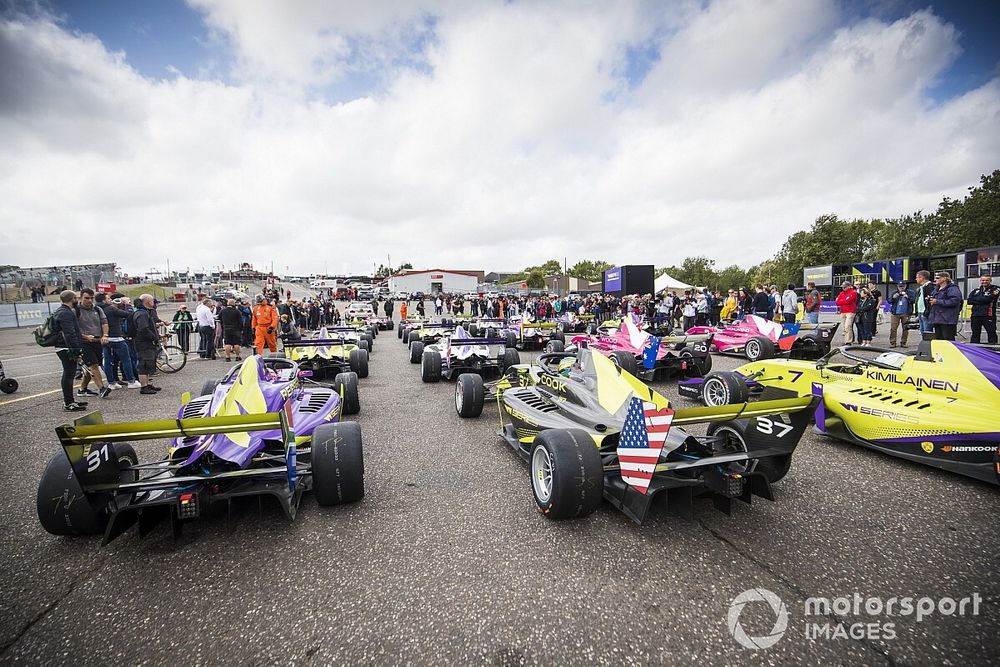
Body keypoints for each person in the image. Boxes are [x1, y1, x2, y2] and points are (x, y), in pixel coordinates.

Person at [51, 290, 88, 411]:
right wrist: (76, 351)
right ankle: (68, 403)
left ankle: (70, 400)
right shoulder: (65, 313)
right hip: (66, 347)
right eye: (75, 298)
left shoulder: (63, 311)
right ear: (72, 299)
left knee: (69, 374)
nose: (77, 300)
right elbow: (69, 333)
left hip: (65, 346)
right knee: (68, 374)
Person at [74, 288, 112, 399]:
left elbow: (104, 323)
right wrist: (84, 336)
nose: (89, 300)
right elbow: (73, 329)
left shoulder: (98, 309)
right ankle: (102, 388)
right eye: (86, 298)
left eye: (91, 298)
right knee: (93, 365)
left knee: (91, 368)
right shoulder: (76, 311)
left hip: (97, 341)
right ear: (80, 298)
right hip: (84, 342)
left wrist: (105, 335)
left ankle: (82, 389)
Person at [98, 293, 139, 388]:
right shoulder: (111, 308)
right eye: (108, 298)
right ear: (104, 300)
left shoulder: (98, 309)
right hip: (116, 337)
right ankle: (131, 381)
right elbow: (127, 314)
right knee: (126, 359)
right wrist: (127, 305)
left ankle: (111, 382)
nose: (111, 300)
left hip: (105, 338)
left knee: (108, 361)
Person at [131, 294, 162, 395]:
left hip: (145, 342)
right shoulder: (142, 314)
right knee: (144, 364)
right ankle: (144, 386)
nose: (154, 302)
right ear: (148, 302)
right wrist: (153, 337)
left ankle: (147, 384)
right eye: (152, 300)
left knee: (148, 363)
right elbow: (143, 328)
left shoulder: (144, 312)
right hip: (143, 343)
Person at [928, 271, 963, 341]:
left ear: (944, 279)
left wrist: (937, 301)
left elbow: (955, 301)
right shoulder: (936, 289)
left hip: (947, 319)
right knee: (939, 339)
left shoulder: (953, 288)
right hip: (937, 318)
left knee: (948, 339)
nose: (935, 280)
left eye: (937, 278)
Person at [967, 275, 999, 344]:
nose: (984, 282)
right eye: (983, 280)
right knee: (975, 333)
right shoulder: (976, 290)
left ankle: (993, 349)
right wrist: (983, 300)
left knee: (991, 332)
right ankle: (974, 349)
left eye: (986, 280)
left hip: (988, 314)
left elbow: (989, 298)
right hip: (975, 314)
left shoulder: (996, 289)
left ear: (990, 281)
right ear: (980, 281)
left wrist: (978, 299)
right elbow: (969, 301)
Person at [886, 282, 915, 348]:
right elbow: (889, 301)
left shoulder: (910, 292)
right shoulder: (894, 292)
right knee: (893, 328)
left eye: (903, 286)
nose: (901, 288)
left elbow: (914, 300)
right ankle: (893, 342)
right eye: (900, 286)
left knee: (905, 328)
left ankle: (903, 342)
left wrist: (908, 297)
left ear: (905, 286)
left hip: (906, 313)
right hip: (895, 313)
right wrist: (893, 298)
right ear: (897, 286)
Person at [913, 270, 934, 337]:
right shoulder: (921, 288)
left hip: (926, 312)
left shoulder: (930, 286)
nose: (916, 279)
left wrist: (927, 311)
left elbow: (930, 300)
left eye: (917, 277)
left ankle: (928, 346)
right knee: (922, 330)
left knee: (927, 331)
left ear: (922, 278)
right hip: (920, 311)